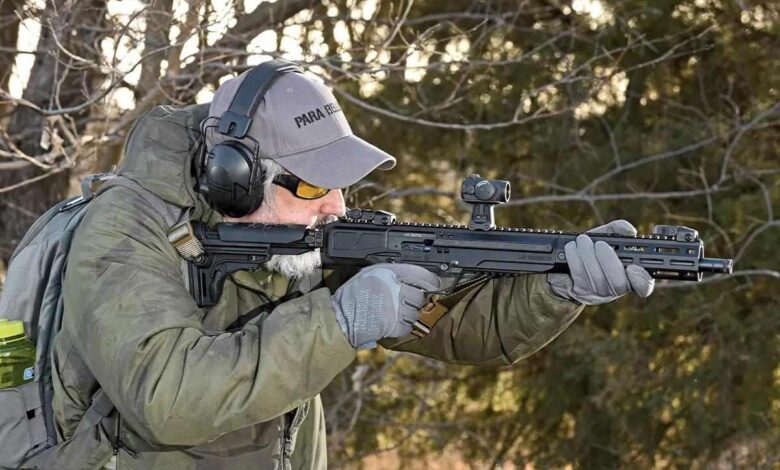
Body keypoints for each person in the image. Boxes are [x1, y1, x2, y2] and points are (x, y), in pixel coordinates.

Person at [52, 61, 654, 469]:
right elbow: (169, 398)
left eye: (342, 184)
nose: (338, 206)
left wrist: (557, 288)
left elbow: (456, 329)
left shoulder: (293, 234)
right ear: (234, 180)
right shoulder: (123, 230)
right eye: (315, 185)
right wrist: (338, 321)